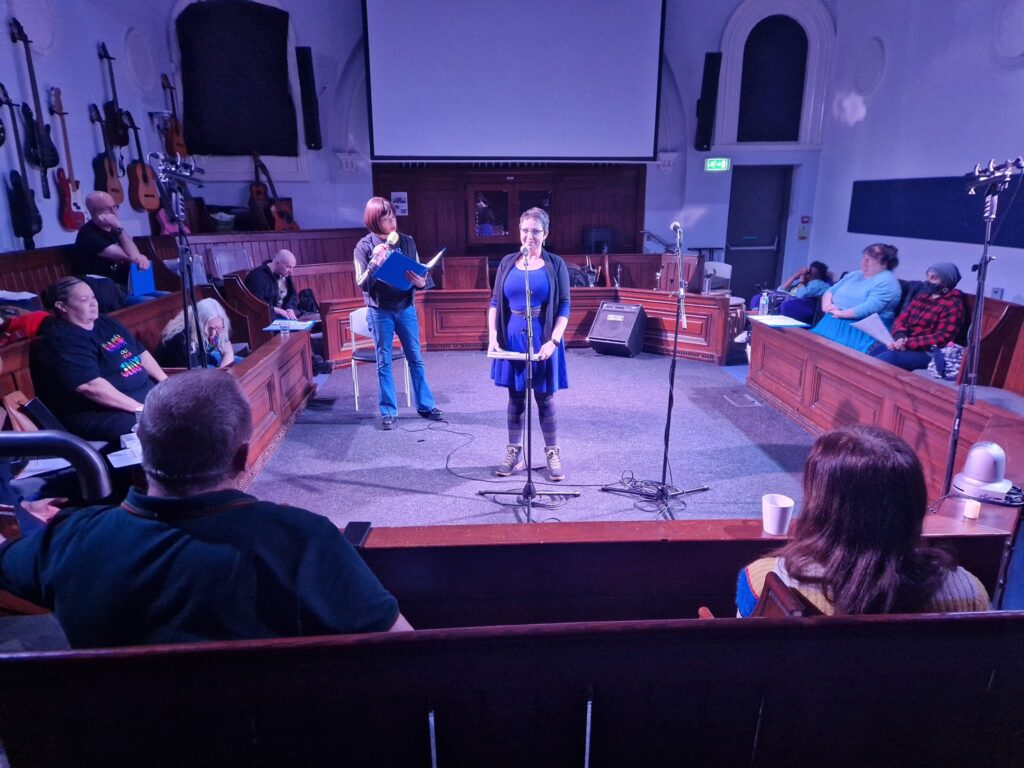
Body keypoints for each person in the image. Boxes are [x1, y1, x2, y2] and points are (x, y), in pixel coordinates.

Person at [0, 370, 413, 648]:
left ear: (141, 448)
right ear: (243, 456)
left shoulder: (68, 538)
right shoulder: (301, 539)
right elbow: (402, 649)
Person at [736, 425, 990, 617]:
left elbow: (744, 664)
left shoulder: (763, 580)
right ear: (912, 503)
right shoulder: (970, 593)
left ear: (822, 506)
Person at [29, 277, 168, 444]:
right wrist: (140, 409)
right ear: (61, 306)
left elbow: (141, 353)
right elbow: (91, 387)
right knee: (153, 427)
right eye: (84, 299)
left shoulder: (106, 322)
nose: (93, 303)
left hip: (142, 396)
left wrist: (166, 384)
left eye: (93, 297)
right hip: (99, 412)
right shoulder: (62, 339)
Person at [488, 208, 570, 482]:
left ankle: (552, 453)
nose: (529, 236)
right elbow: (495, 302)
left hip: (543, 337)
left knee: (544, 398)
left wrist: (553, 341)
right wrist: (492, 336)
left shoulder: (555, 264)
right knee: (515, 397)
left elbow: (565, 306)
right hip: (512, 336)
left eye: (535, 231)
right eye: (525, 230)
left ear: (545, 234)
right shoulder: (508, 262)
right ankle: (515, 453)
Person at [353, 196, 442, 430]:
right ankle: (389, 411)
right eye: (386, 217)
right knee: (384, 362)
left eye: (393, 215)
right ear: (374, 221)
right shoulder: (363, 246)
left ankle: (425, 405)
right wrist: (375, 262)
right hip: (379, 310)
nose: (392, 221)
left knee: (416, 358)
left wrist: (420, 282)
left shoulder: (407, 241)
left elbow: (422, 276)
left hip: (405, 307)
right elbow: (360, 282)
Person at [868, 262, 967, 371]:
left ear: (946, 281)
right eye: (928, 277)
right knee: (871, 355)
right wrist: (900, 337)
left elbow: (942, 337)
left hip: (929, 352)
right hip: (906, 344)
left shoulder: (953, 304)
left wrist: (907, 344)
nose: (928, 281)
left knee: (889, 358)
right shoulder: (923, 297)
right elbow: (902, 319)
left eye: (933, 278)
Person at [810, 243, 901, 353]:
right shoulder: (855, 274)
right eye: (864, 257)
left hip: (859, 335)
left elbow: (867, 309)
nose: (864, 262)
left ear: (884, 263)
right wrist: (826, 305)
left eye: (871, 259)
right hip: (830, 324)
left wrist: (839, 313)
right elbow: (830, 290)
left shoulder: (887, 282)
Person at [72, 191, 152, 310]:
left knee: (169, 297)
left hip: (130, 286)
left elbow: (135, 255)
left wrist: (142, 257)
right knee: (153, 303)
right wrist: (117, 226)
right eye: (107, 209)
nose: (114, 212)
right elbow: (133, 257)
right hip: (109, 294)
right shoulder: (88, 235)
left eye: (115, 206)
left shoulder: (115, 231)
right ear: (94, 212)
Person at [155, 298, 237, 369]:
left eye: (218, 328)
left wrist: (223, 369)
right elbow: (198, 375)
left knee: (241, 363)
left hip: (203, 357)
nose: (213, 333)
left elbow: (228, 351)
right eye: (210, 328)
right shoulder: (183, 339)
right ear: (199, 323)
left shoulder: (217, 323)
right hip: (181, 372)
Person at [244, 249, 300, 320]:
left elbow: (293, 296)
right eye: (288, 267)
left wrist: (290, 309)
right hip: (266, 319)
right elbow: (256, 302)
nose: (291, 271)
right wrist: (279, 311)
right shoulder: (257, 276)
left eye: (292, 267)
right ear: (277, 263)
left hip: (285, 318)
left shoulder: (285, 274)